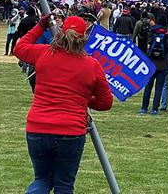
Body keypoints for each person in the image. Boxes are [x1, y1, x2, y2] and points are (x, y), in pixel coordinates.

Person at [14, 14, 113, 194]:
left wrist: (40, 26)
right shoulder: (92, 65)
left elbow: (19, 48)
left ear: (60, 33)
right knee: (64, 186)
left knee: (42, 180)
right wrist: (83, 99)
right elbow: (105, 102)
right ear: (84, 37)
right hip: (71, 132)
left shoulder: (44, 53)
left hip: (38, 128)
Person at [139, 19, 168, 115]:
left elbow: (146, 47)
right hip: (163, 65)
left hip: (151, 64)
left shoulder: (151, 33)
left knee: (148, 87)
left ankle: (144, 107)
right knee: (159, 88)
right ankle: (155, 108)